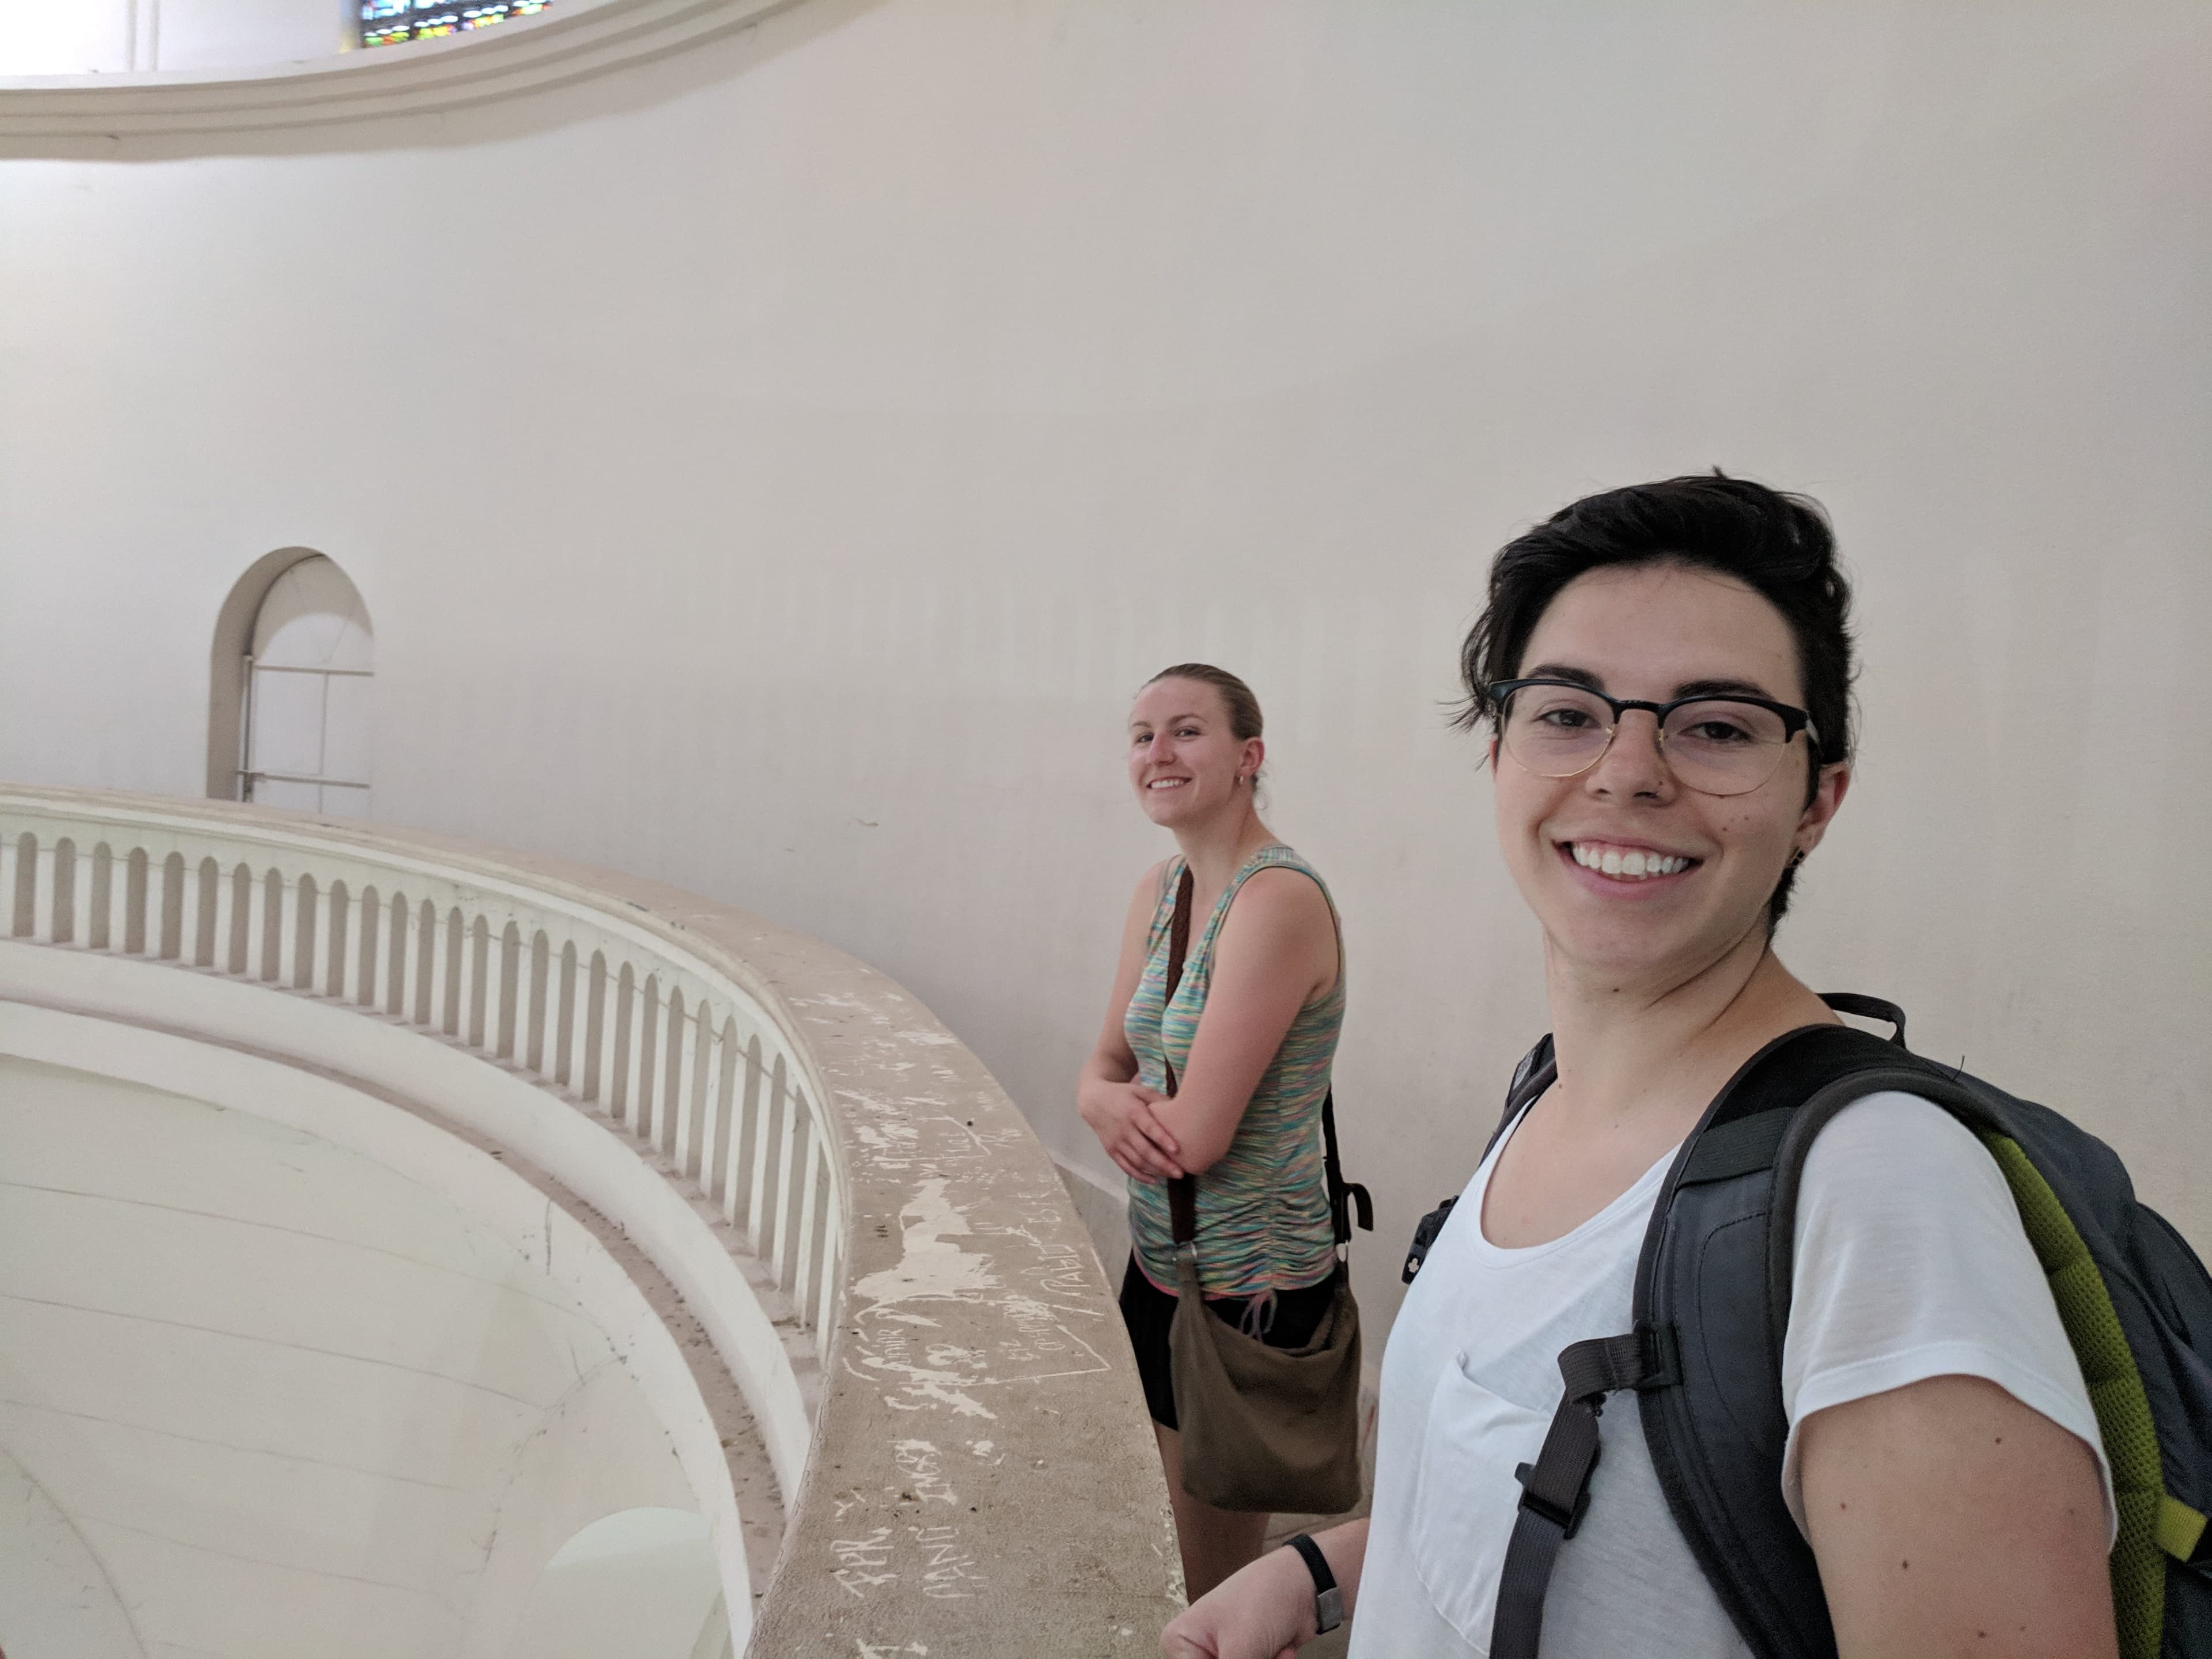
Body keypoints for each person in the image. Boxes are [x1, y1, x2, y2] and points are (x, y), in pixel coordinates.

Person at [1162, 476, 2117, 1657]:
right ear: (1500, 749)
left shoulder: (1879, 1205)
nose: (1627, 771)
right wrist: (1322, 1573)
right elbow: (1611, 1542)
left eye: (1716, 727)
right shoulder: (1549, 1096)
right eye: (1569, 712)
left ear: (1817, 800)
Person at [1080, 663, 1349, 1602]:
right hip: (1164, 1260)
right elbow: (1102, 1066)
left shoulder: (1278, 903)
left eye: (1186, 731)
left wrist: (1115, 1101)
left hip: (1250, 1291)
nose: (1157, 752)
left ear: (1249, 756)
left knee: (1211, 1579)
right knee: (1158, 1521)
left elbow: (1194, 1137)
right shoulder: (1164, 889)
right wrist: (1099, 1098)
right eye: (1143, 733)